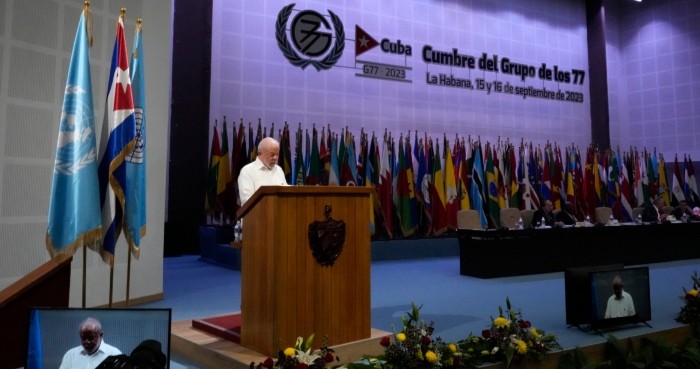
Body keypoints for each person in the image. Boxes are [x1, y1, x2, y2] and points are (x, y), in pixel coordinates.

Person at [237, 137, 288, 206]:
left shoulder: (279, 170)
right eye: (272, 154)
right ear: (260, 153)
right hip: (255, 215)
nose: (275, 158)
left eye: (277, 154)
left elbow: (285, 194)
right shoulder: (247, 171)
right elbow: (247, 200)